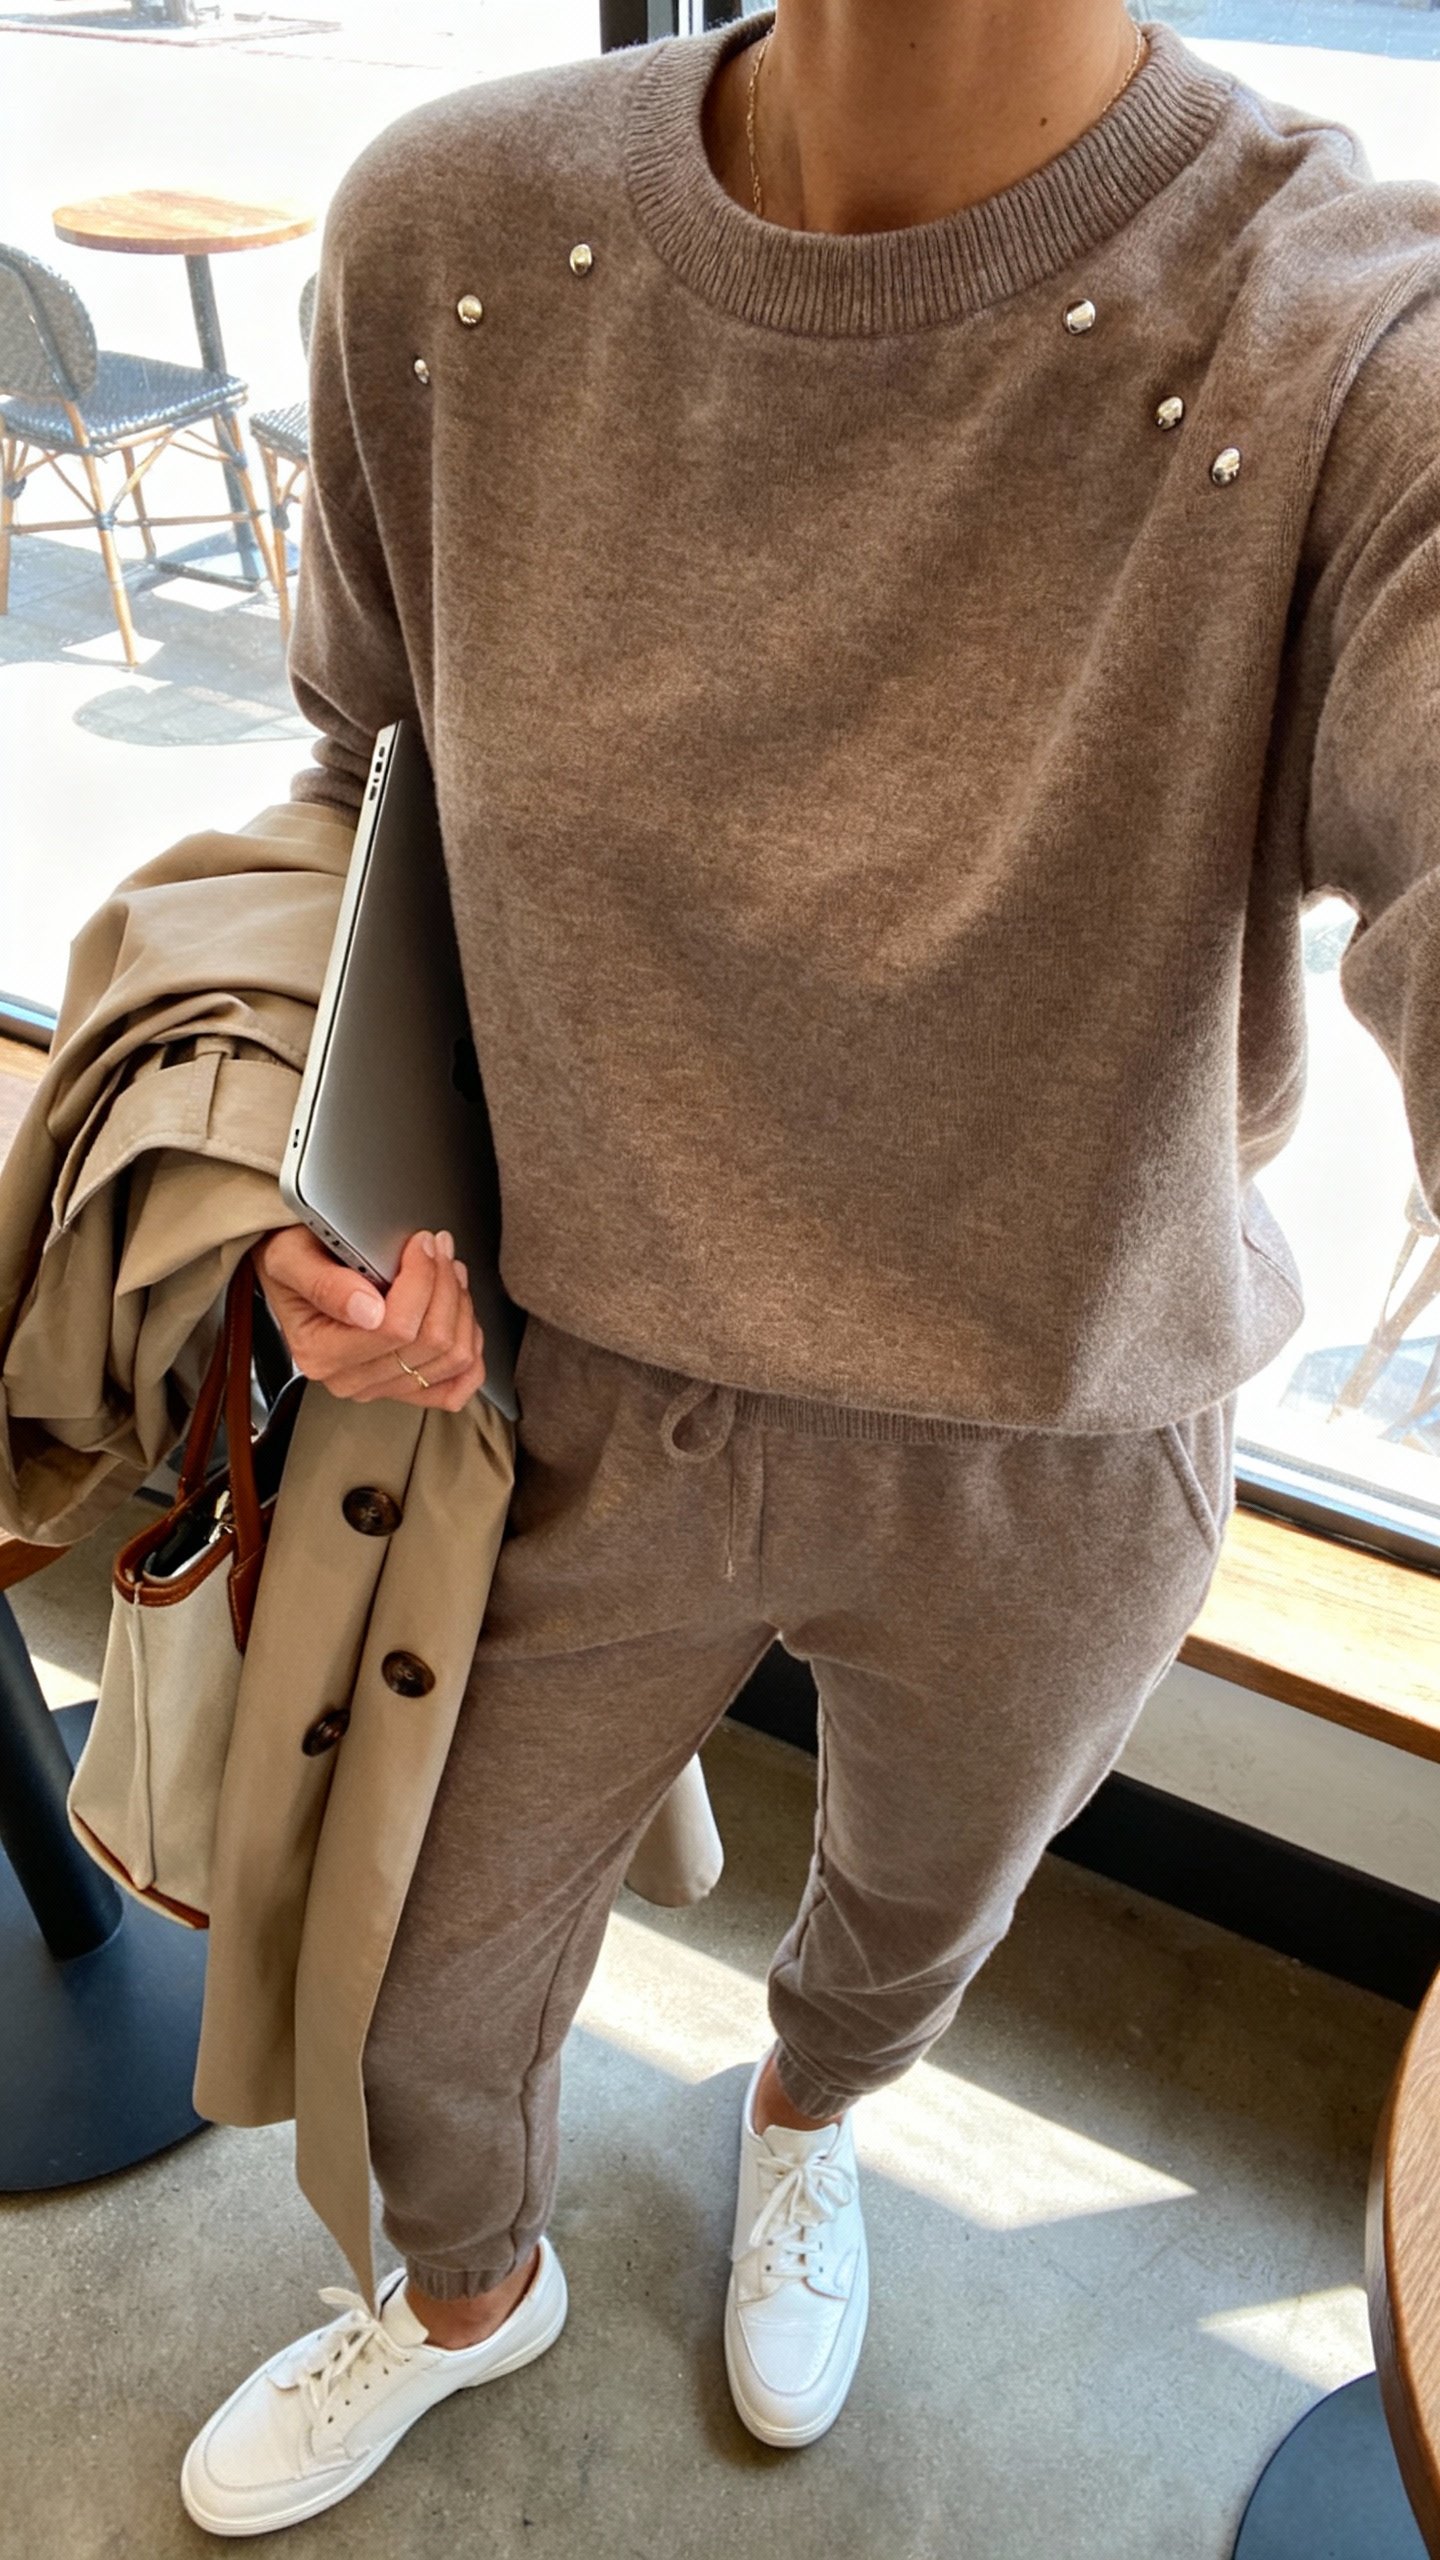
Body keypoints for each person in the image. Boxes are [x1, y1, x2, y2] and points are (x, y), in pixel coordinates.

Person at [177, 0, 1440, 2535]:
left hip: (1058, 1431)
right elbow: (355, 782)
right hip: (561, 1393)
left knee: (913, 1906)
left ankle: (809, 2116)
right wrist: (301, 1193)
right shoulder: (451, 235)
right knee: (418, 1983)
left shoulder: (1343, 329)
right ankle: (461, 2281)